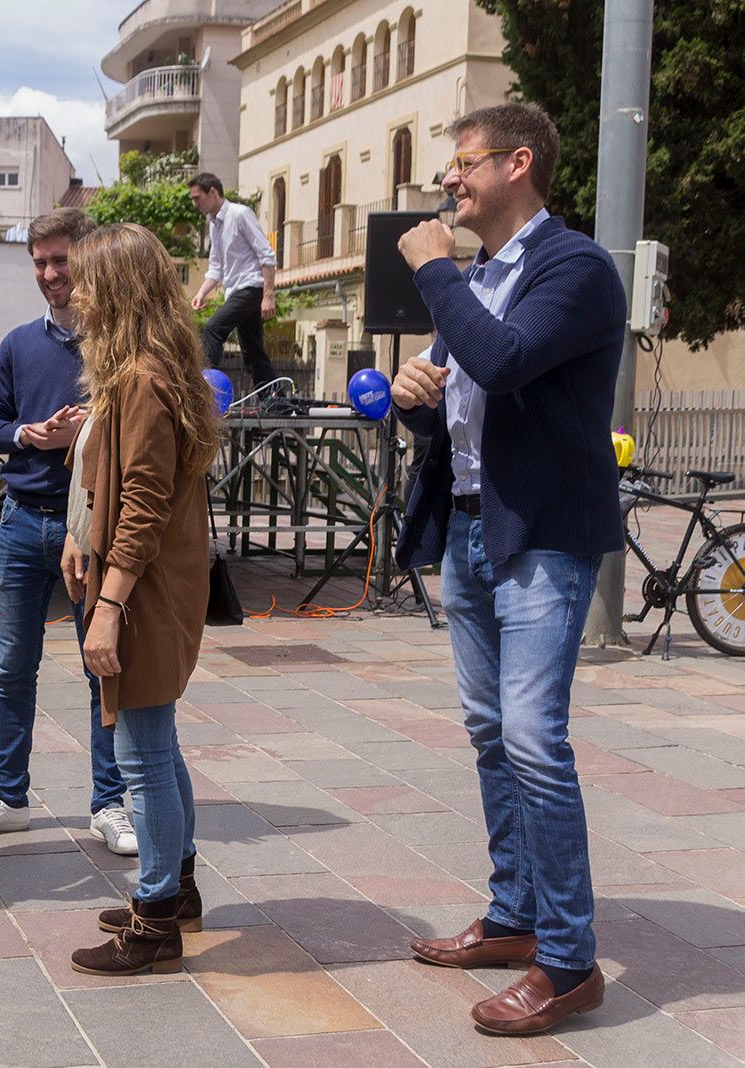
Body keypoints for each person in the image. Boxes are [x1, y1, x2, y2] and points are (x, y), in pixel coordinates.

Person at [391, 102, 624, 1034]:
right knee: (491, 734)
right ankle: (515, 915)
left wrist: (433, 271)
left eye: (464, 163)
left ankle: (569, 962)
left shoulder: (574, 269)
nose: (450, 179)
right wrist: (414, 396)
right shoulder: (481, 278)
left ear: (519, 163)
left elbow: (504, 359)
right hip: (474, 530)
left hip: (543, 538)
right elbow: (457, 398)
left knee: (533, 738)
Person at [0, 207, 135, 856]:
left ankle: (110, 805)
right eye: (41, 263)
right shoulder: (21, 344)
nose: (51, 273)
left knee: (101, 667)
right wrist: (31, 434)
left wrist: (89, 435)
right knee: (11, 670)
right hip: (23, 526)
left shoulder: (120, 341)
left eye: (61, 259)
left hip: (97, 530)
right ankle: (8, 798)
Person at [64, 223, 219, 977]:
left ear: (119, 291)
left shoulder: (143, 378)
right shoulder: (155, 370)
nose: (76, 294)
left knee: (143, 754)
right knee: (157, 742)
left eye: (88, 281)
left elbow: (144, 500)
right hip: (158, 581)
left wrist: (110, 604)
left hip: (147, 589)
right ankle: (178, 888)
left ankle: (155, 918)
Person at [188, 173, 278, 390]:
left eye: (197, 197)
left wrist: (268, 296)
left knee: (213, 328)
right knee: (253, 352)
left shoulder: (240, 214)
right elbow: (216, 267)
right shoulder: (214, 225)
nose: (195, 204)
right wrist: (201, 293)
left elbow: (266, 255)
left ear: (213, 192)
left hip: (250, 288)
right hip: (236, 290)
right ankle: (275, 400)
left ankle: (201, 389)